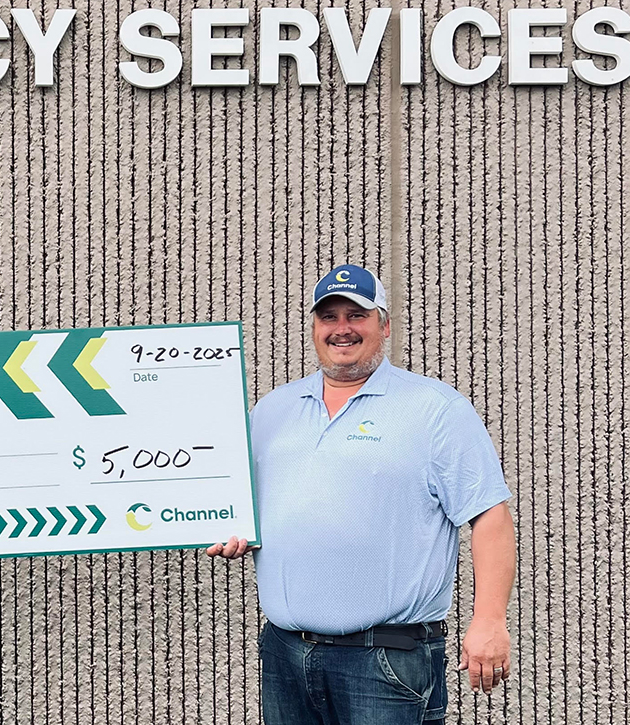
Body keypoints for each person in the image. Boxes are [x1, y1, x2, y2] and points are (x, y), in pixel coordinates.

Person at [208, 264, 515, 724]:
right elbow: (254, 506)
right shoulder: (272, 410)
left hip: (385, 661)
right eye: (329, 316)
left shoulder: (435, 409)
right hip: (286, 654)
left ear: (384, 326)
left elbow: (490, 516)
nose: (342, 328)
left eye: (357, 315)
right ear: (314, 328)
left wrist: (489, 620)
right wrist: (234, 530)